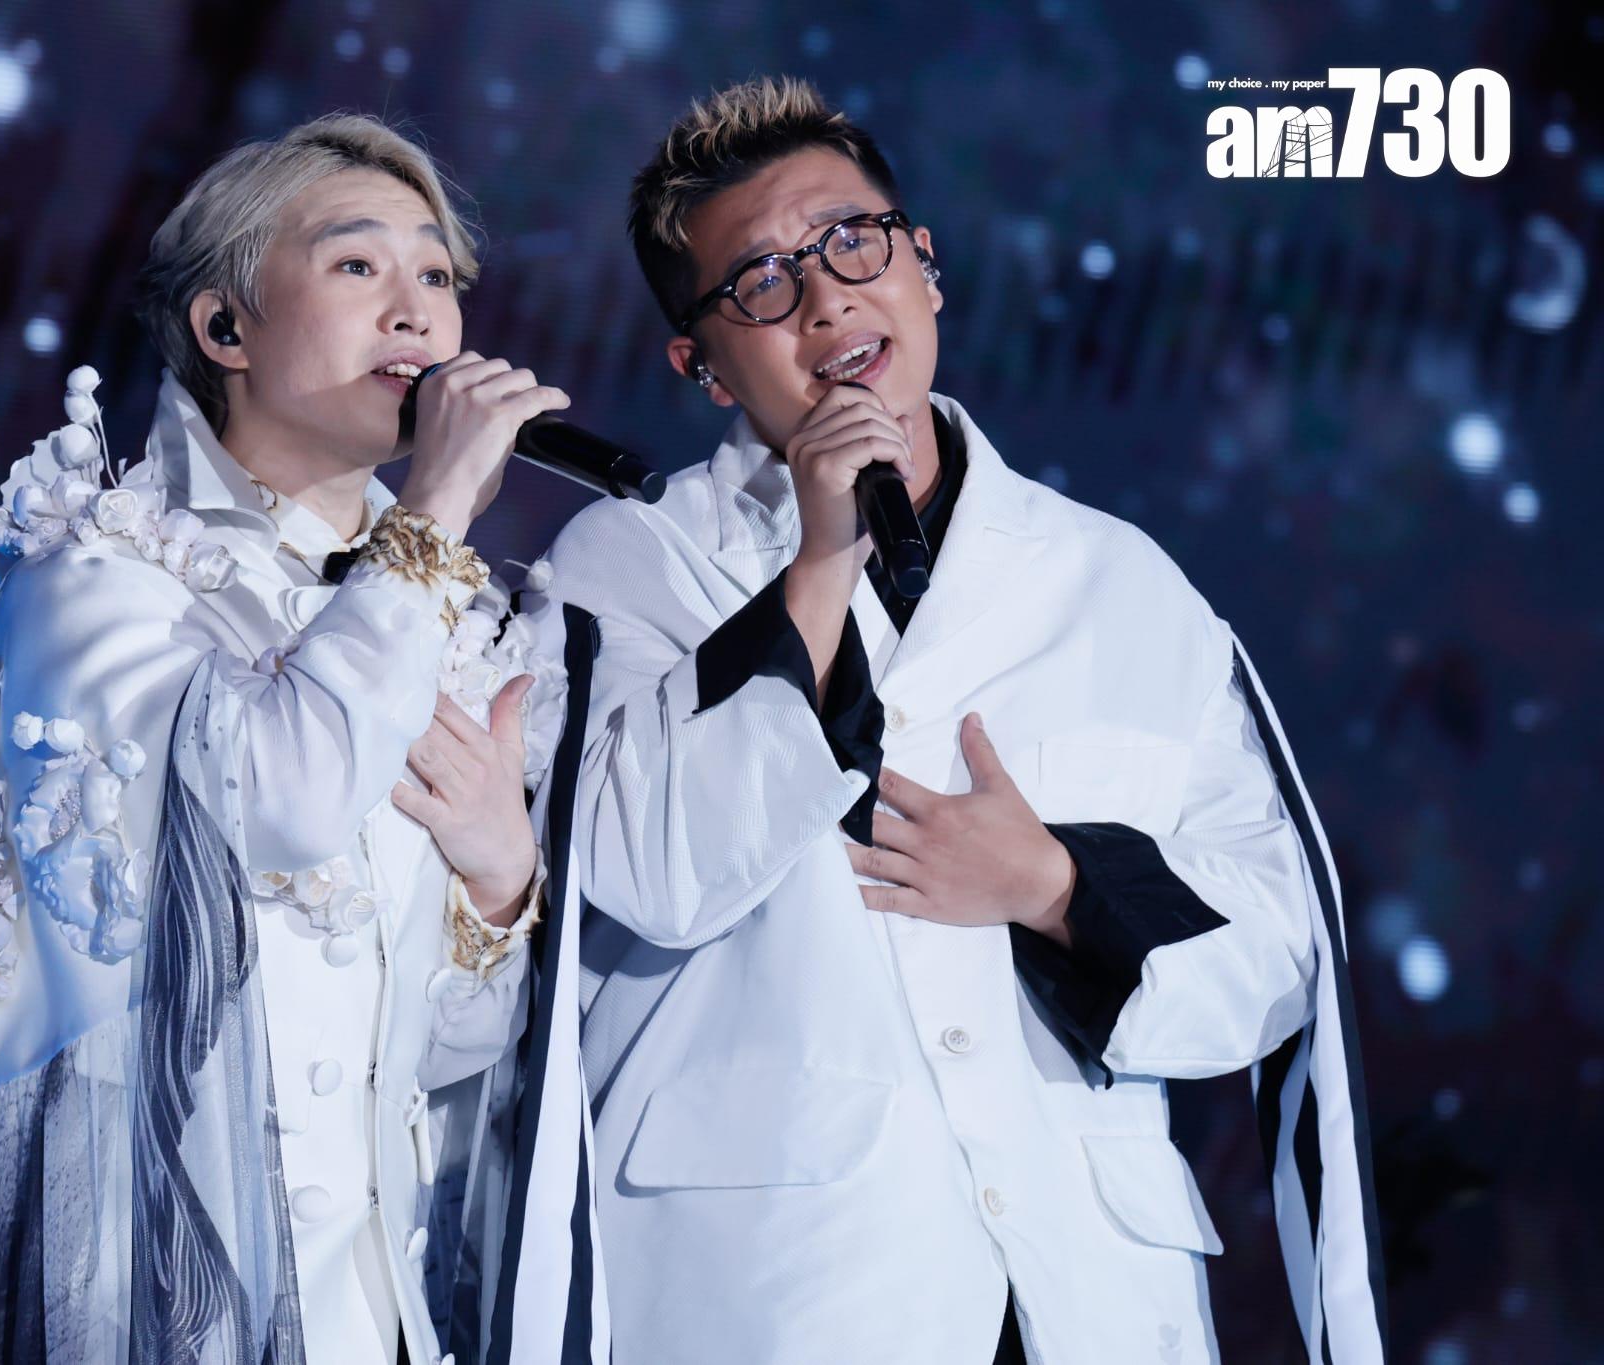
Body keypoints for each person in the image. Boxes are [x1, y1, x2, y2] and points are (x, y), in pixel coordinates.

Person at [521, 77, 1386, 1363]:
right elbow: (652, 872)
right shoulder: (621, 567)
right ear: (698, 365)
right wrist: (818, 561)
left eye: (850, 243)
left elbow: (1273, 959)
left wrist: (1059, 889)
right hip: (776, 1293)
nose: (824, 301)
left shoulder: (1119, 583)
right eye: (759, 283)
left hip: (1082, 1297)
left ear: (924, 264)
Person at [0, 113, 601, 1365]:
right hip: (146, 1295)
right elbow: (277, 804)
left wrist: (498, 880)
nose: (417, 313)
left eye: (437, 277)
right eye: (358, 264)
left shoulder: (449, 624)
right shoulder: (95, 581)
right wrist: (431, 514)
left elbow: (444, 1053)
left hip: (368, 1314)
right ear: (224, 328)